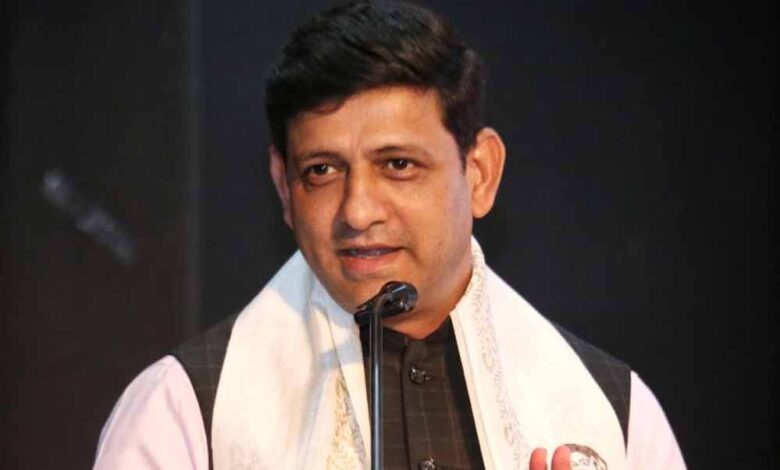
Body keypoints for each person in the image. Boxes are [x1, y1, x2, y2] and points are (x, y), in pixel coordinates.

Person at [93, 2, 686, 469]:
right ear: (284, 188)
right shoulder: (183, 411)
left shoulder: (614, 414)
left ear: (479, 173)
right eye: (321, 171)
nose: (357, 211)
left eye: (398, 164)